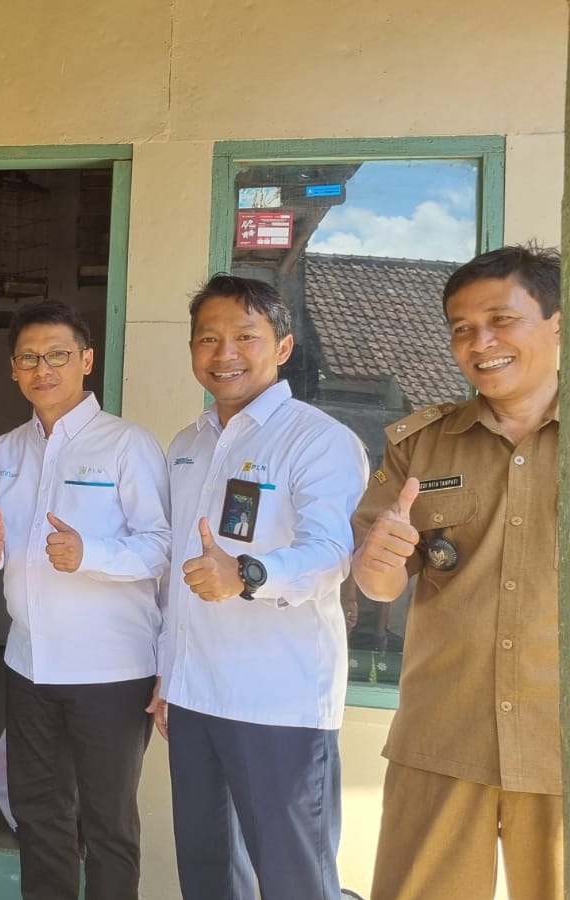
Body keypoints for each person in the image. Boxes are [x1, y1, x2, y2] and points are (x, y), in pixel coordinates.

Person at [350, 245, 563, 900]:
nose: (482, 342)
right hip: (444, 735)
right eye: (462, 328)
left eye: (502, 320)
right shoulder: (420, 442)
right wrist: (377, 565)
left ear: (556, 323)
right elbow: (381, 583)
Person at [155, 274, 368, 900]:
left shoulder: (317, 440)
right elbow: (174, 574)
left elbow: (332, 553)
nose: (225, 354)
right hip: (195, 699)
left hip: (280, 703)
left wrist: (247, 574)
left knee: (294, 879)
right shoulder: (187, 445)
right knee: (208, 873)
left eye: (245, 337)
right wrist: (170, 675)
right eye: (208, 339)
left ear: (282, 346)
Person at [0, 300, 170, 900]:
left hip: (111, 671)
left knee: (106, 823)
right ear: (13, 369)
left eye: (56, 355)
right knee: (40, 816)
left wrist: (92, 554)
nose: (41, 368)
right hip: (28, 665)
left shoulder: (127, 445)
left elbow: (160, 547)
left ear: (86, 360)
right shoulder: (6, 450)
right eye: (28, 357)